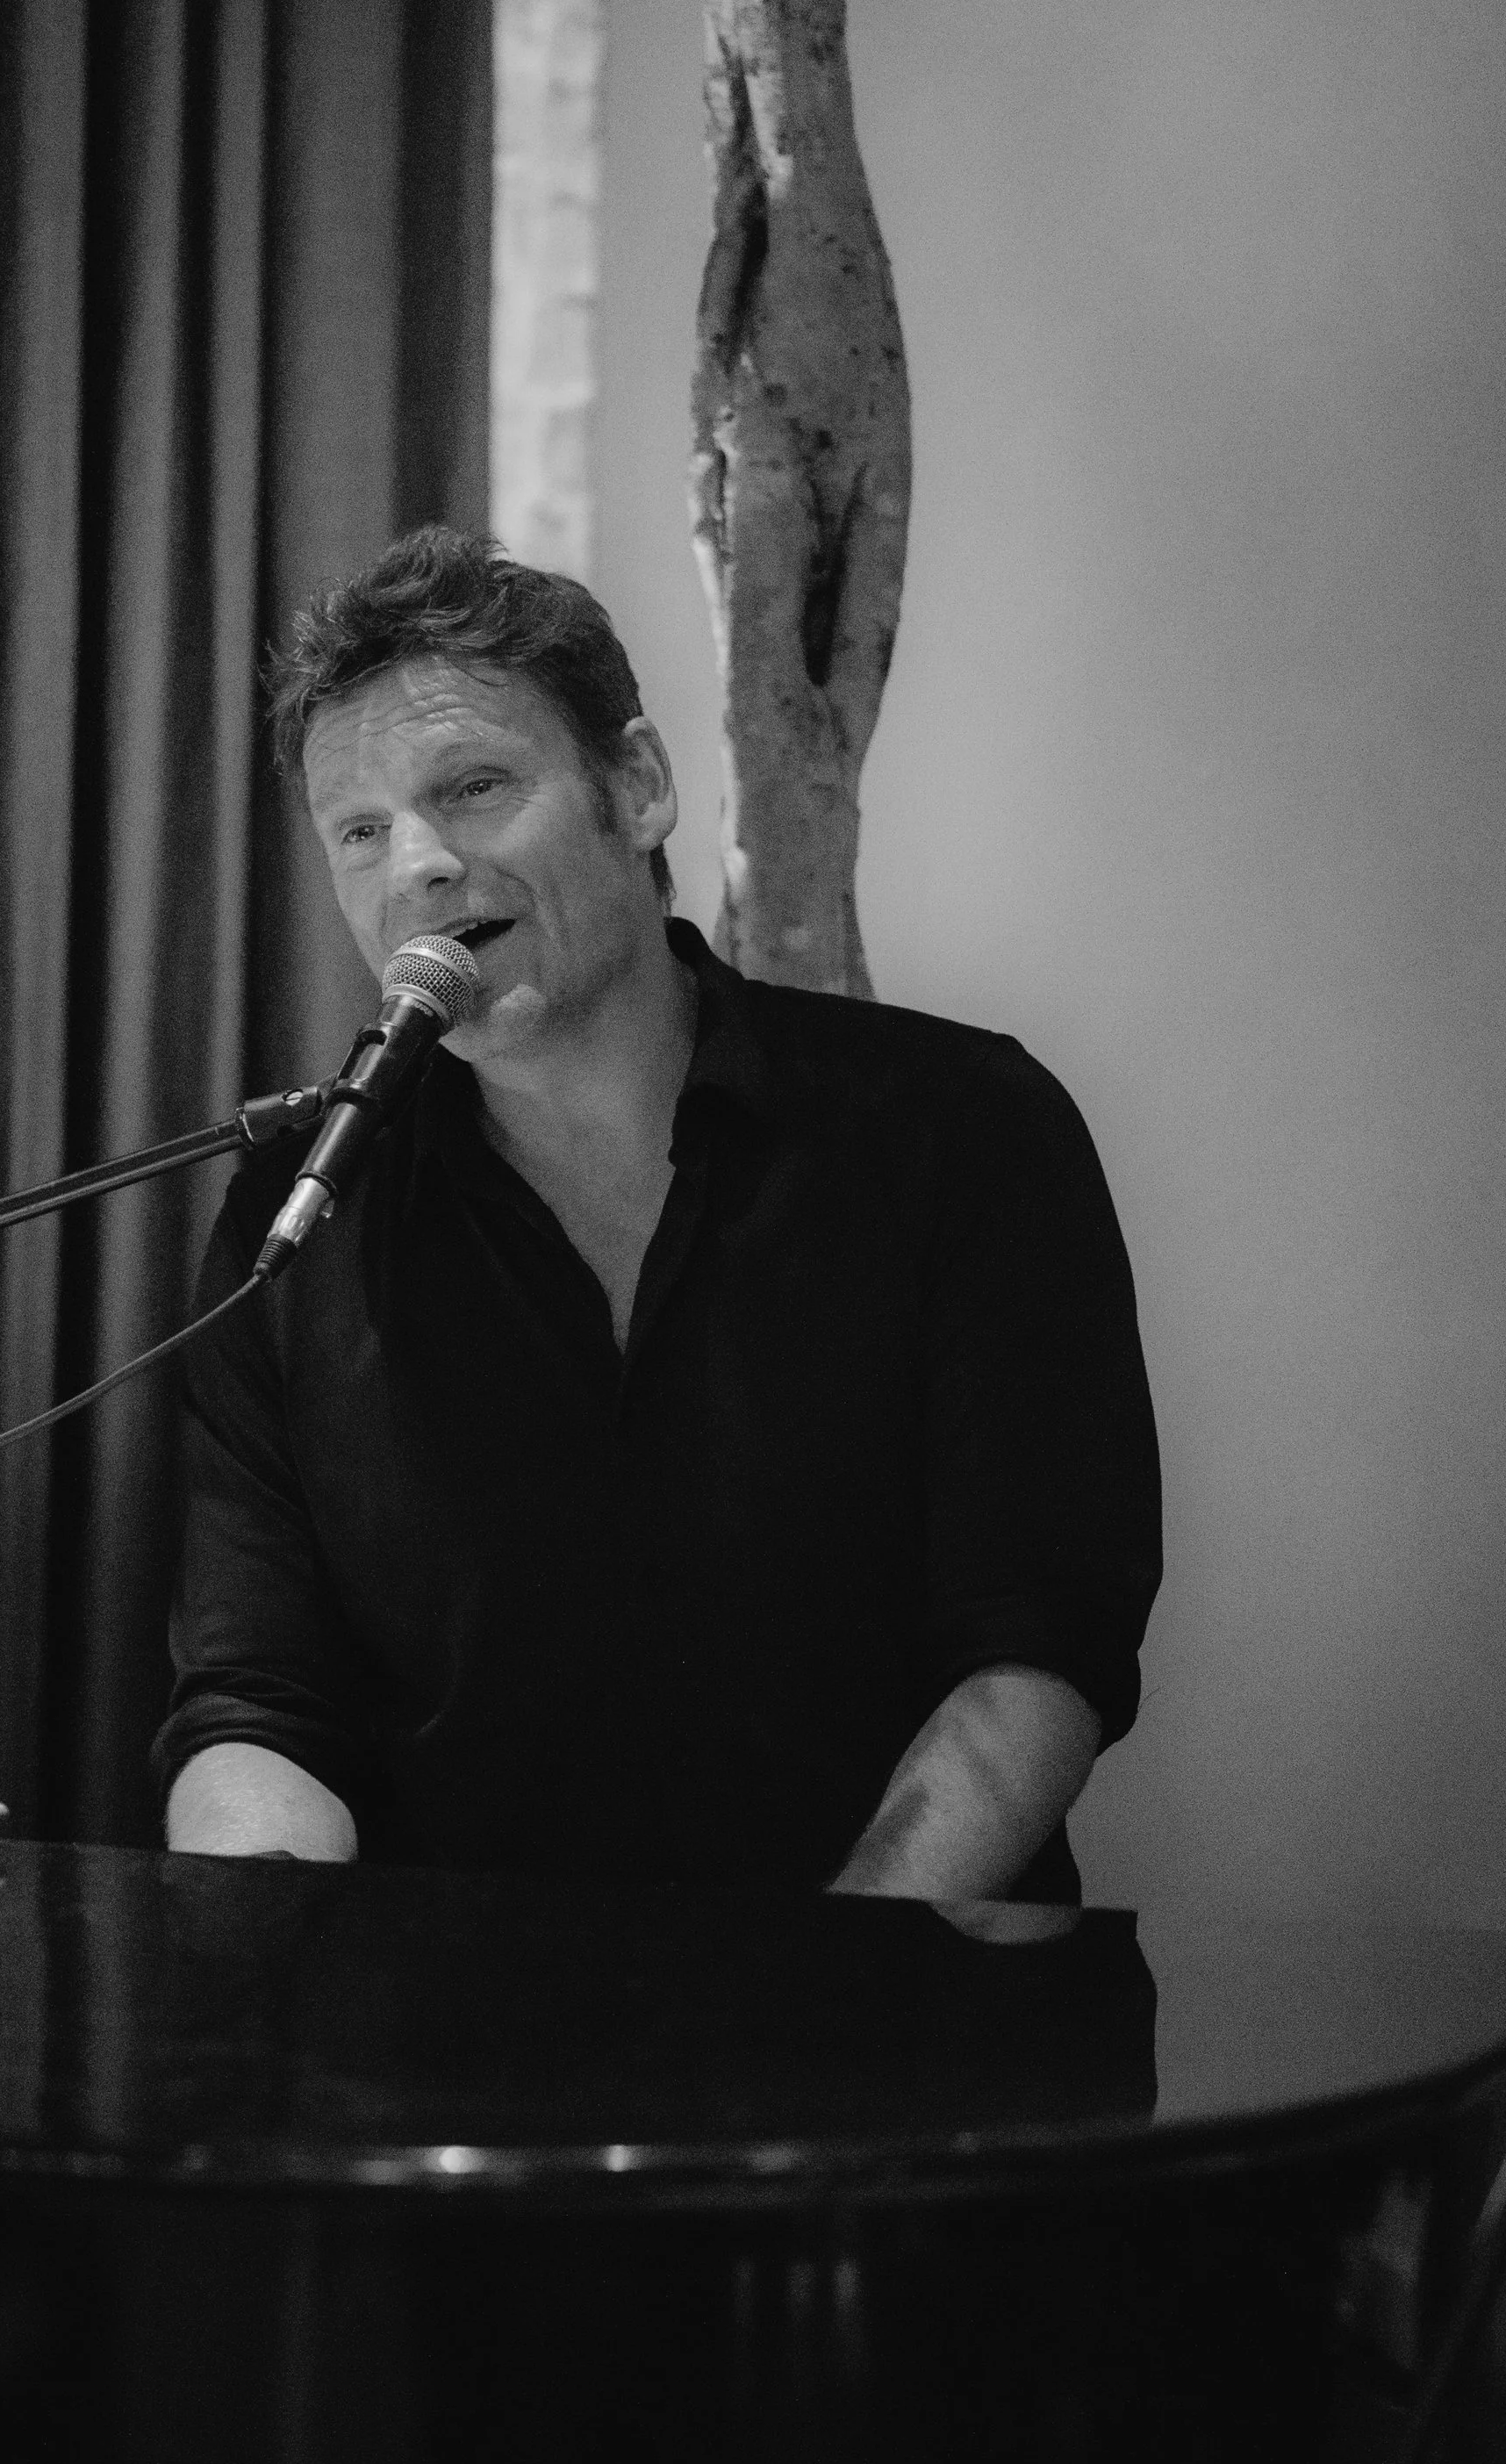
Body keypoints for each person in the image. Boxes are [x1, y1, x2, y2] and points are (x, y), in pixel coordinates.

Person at [154, 527, 1160, 1901]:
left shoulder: (961, 1134)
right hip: (453, 2076)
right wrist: (250, 1991)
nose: (420, 869)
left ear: (635, 786)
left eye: (476, 787)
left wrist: (826, 1998)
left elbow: (1037, 1650)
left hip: (905, 2050)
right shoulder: (302, 1213)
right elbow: (260, 1706)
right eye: (362, 832)